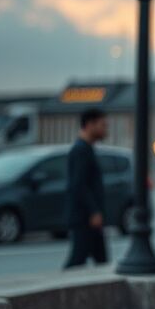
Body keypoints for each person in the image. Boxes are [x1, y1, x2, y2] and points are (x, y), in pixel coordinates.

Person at [63, 108, 109, 269]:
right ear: (90, 125)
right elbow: (78, 185)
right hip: (84, 219)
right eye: (102, 125)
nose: (106, 130)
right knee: (77, 261)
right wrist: (94, 211)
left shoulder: (85, 149)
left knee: (100, 261)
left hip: (87, 218)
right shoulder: (81, 150)